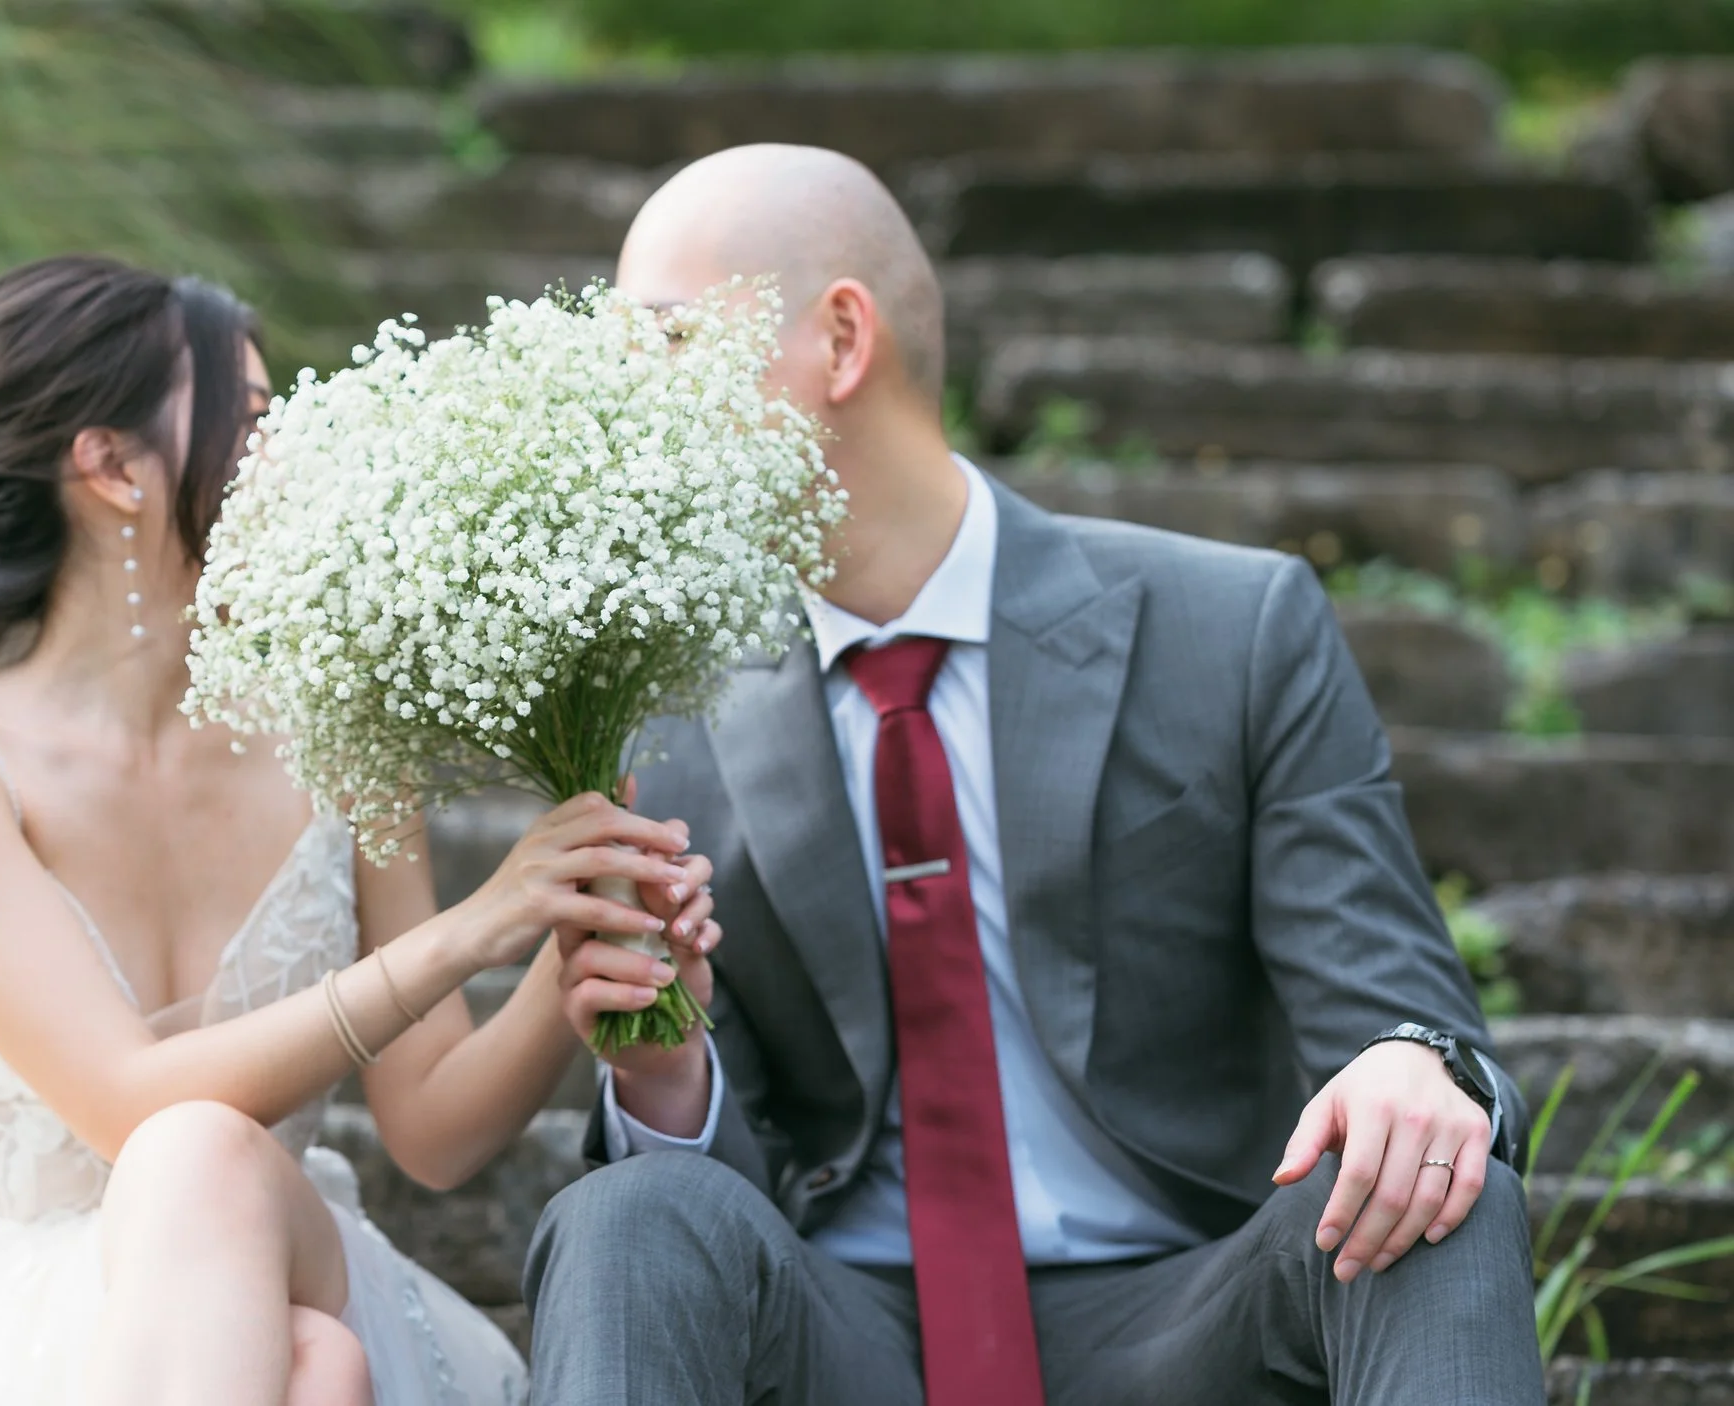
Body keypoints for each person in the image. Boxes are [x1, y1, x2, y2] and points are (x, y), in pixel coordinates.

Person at [532, 145, 1546, 1405]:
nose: (628, 412)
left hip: (1186, 1313)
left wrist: (1408, 1065)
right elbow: (730, 1191)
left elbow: (1405, 1015)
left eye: (667, 346)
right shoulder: (659, 703)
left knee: (1433, 1192)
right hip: (840, 1337)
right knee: (629, 1214)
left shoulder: (1230, 630)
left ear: (840, 340)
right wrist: (661, 1063)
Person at [0, 255, 721, 1406]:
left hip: (287, 1238)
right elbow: (129, 1102)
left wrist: (566, 937)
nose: (296, 450)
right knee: (311, 1361)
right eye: (259, 417)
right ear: (113, 466)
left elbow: (431, 1128)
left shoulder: (339, 726)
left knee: (212, 1163)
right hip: (12, 1298)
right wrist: (471, 930)